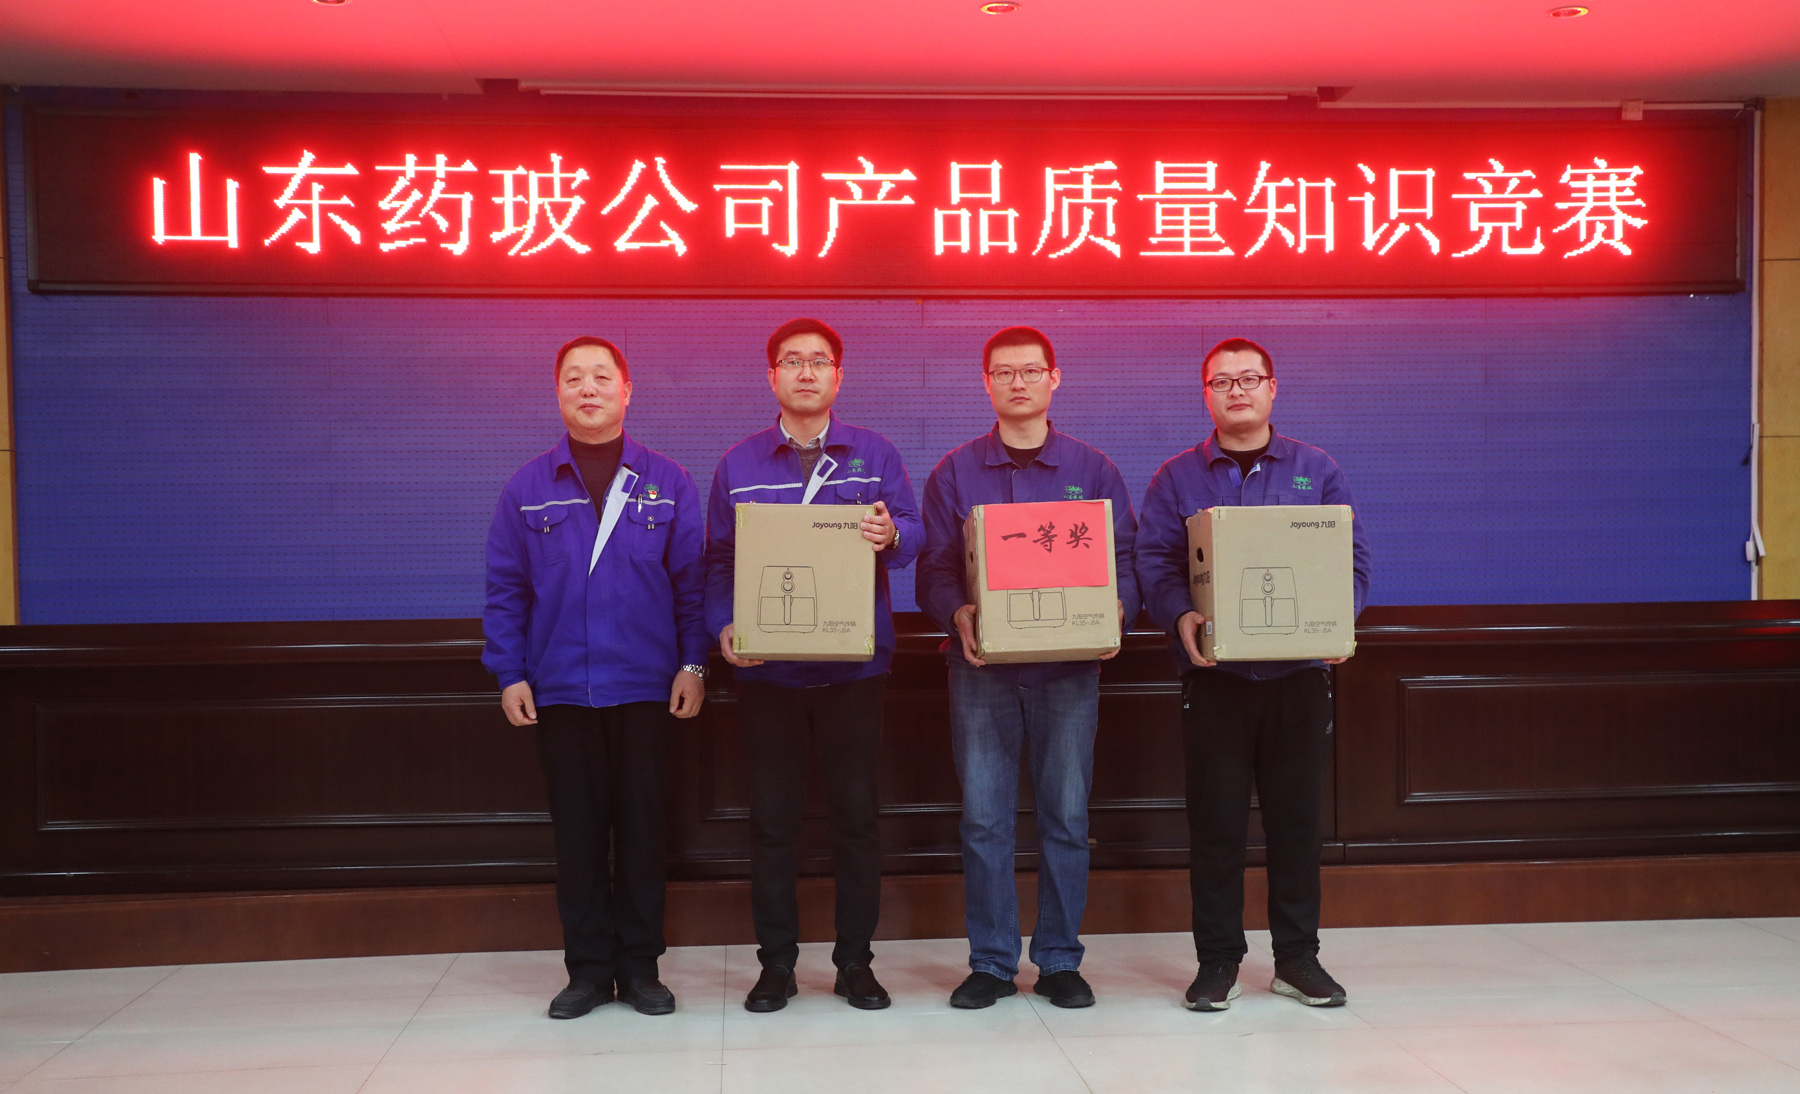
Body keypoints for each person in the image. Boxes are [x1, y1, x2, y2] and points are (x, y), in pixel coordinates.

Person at [1135, 337, 1372, 1012]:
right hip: (1216, 679)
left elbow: (1352, 561)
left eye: (1248, 379)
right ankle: (1218, 961)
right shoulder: (1176, 478)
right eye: (1221, 382)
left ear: (1272, 388)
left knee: (1297, 825)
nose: (1236, 391)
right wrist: (1179, 614)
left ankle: (1297, 958)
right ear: (1205, 394)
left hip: (1298, 678)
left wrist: (1337, 619)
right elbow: (1153, 563)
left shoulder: (1316, 470)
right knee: (1215, 828)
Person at [482, 336, 709, 1020]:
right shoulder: (527, 488)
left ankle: (640, 969)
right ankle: (585, 972)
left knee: (643, 833)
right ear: (558, 393)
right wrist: (509, 672)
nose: (588, 388)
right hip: (560, 691)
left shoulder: (666, 480)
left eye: (601, 377)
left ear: (626, 391)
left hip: (646, 689)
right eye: (574, 378)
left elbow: (693, 587)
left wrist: (694, 663)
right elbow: (505, 591)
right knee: (577, 840)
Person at [916, 326, 1139, 1011]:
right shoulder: (955, 471)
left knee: (1065, 817)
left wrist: (1117, 612)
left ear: (1054, 378)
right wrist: (956, 611)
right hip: (981, 670)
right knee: (984, 820)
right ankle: (990, 962)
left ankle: (1060, 959)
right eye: (1004, 372)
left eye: (1031, 371)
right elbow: (933, 569)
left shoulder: (1091, 469)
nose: (1018, 382)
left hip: (1068, 671)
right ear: (986, 382)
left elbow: (1124, 560)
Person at [705, 317, 923, 1013]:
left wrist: (892, 534)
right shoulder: (739, 464)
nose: (806, 372)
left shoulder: (875, 453)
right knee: (772, 823)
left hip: (854, 673)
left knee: (857, 820)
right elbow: (717, 562)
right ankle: (777, 965)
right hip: (769, 674)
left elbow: (914, 532)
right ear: (771, 375)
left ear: (838, 375)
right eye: (792, 361)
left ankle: (855, 961)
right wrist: (722, 625)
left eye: (819, 361)